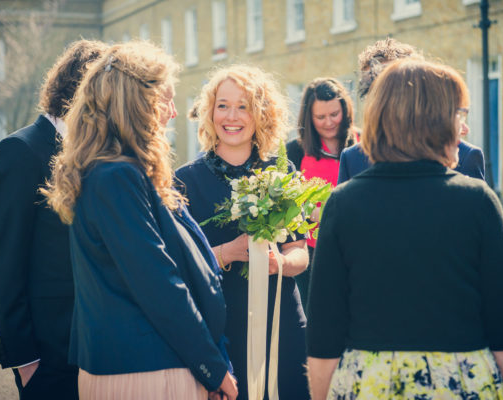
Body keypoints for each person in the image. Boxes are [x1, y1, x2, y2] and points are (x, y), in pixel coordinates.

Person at [306, 58, 503, 400]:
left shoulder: (343, 203)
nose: (463, 128)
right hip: (461, 383)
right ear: (434, 120)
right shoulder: (477, 201)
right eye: (458, 114)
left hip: (369, 385)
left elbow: (323, 335)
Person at [42, 41, 237, 400]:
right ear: (138, 102)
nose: (174, 112)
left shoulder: (118, 172)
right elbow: (159, 283)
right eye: (166, 99)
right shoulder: (116, 178)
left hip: (150, 363)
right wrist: (211, 367)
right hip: (144, 368)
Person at [175, 64, 310, 400]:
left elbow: (301, 253)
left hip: (282, 326)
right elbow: (178, 269)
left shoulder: (281, 170)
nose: (231, 116)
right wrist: (227, 253)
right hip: (222, 332)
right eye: (222, 105)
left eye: (243, 105)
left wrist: (280, 263)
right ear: (209, 112)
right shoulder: (184, 181)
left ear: (260, 113)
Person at [0, 39, 106, 400]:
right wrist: (25, 360)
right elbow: (5, 264)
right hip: (48, 356)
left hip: (100, 348)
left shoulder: (99, 153)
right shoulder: (20, 151)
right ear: (86, 90)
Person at [338, 38, 485, 183]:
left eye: (392, 89)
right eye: (371, 91)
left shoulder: (466, 156)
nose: (382, 100)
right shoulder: (352, 158)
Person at [285, 77, 357, 309]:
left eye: (334, 114)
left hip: (355, 248)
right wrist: (309, 211)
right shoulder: (294, 152)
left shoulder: (363, 144)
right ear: (308, 118)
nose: (329, 122)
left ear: (345, 111)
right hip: (310, 253)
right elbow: (285, 204)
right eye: (320, 117)